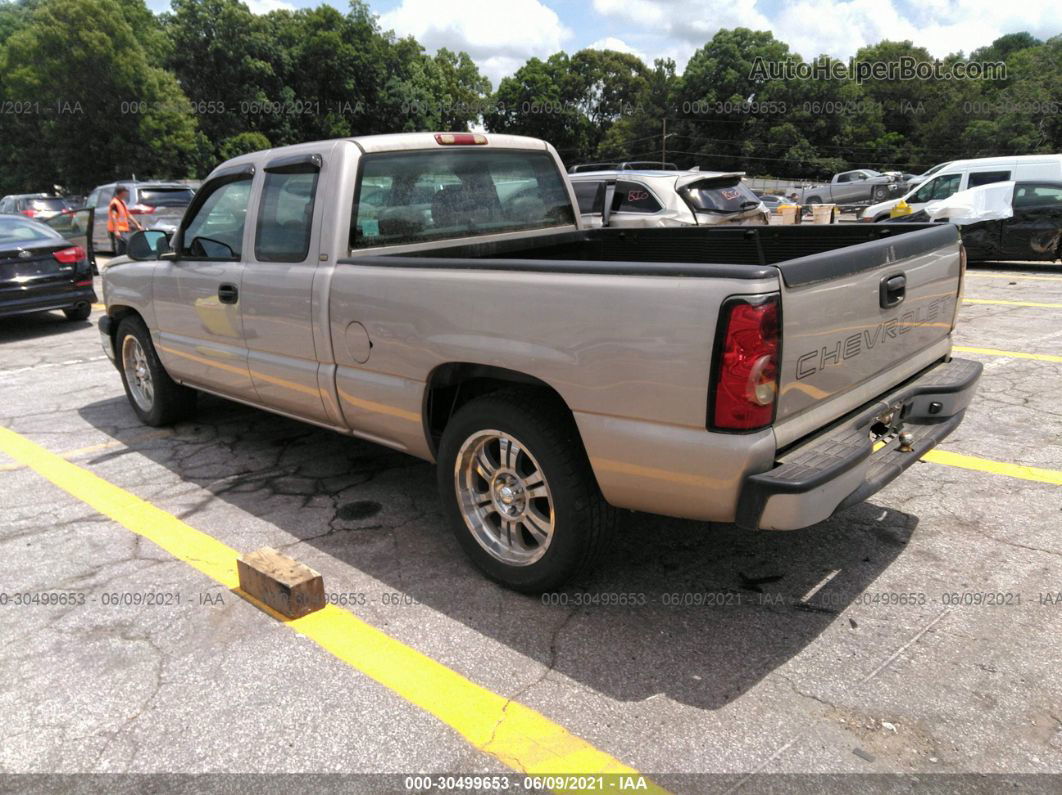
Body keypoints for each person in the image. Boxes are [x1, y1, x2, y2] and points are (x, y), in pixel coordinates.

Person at [107, 186, 143, 255]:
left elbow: (128, 215)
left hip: (123, 230)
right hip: (117, 230)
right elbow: (113, 217)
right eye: (125, 192)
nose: (127, 194)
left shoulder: (122, 202)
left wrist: (137, 225)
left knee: (125, 248)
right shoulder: (114, 203)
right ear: (121, 193)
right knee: (121, 250)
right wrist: (116, 230)